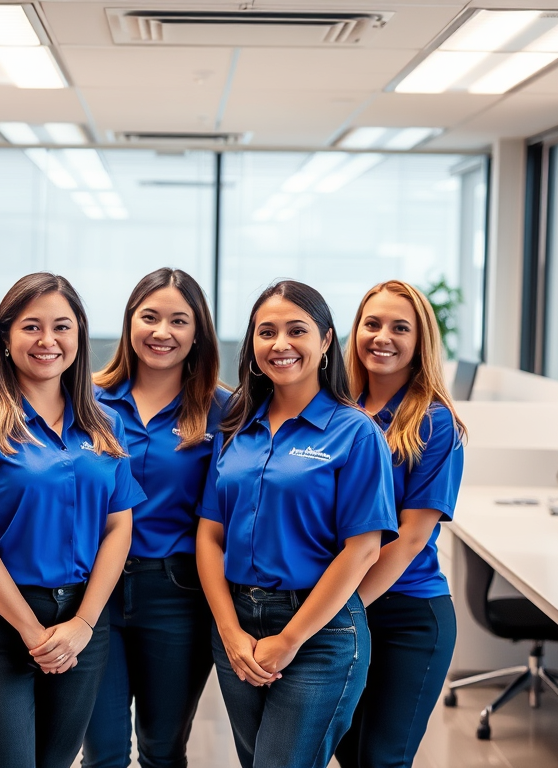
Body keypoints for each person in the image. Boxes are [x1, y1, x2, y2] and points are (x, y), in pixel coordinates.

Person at [0, 273, 146, 768]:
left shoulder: (106, 424)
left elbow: (119, 527)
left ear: (79, 335)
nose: (48, 340)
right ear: (5, 336)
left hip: (81, 622)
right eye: (31, 327)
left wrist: (84, 623)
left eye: (62, 326)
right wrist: (29, 628)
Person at [196, 280, 398, 768]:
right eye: (266, 332)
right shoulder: (236, 424)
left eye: (297, 330)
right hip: (237, 626)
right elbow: (210, 534)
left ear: (326, 340)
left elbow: (363, 550)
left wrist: (290, 640)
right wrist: (229, 629)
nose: (280, 344)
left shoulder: (356, 432)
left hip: (319, 632)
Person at [83, 268, 228, 768]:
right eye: (149, 317)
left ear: (198, 332)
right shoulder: (86, 399)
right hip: (93, 591)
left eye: (178, 321)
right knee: (101, 752)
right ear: (129, 322)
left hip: (179, 595)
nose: (162, 332)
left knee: (162, 751)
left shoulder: (223, 411)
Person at [334, 280, 466, 768]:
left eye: (400, 327)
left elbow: (411, 539)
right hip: (340, 602)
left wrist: (340, 613)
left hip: (405, 613)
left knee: (381, 759)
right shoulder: (337, 412)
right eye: (372, 324)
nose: (382, 337)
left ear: (420, 340)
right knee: (348, 753)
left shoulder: (435, 423)